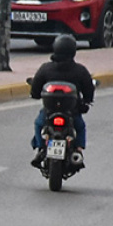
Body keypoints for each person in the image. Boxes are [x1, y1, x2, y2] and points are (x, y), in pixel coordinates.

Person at [29, 35, 94, 167]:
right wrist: (86, 102)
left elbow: (35, 88)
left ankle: (40, 149)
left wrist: (35, 94)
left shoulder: (45, 68)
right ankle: (78, 151)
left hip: (49, 112)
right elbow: (88, 89)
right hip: (72, 112)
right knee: (80, 127)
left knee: (39, 124)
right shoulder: (80, 70)